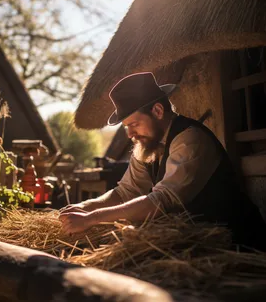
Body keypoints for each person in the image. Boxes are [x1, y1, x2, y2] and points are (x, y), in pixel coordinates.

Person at [59, 72, 266, 250]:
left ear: (157, 111)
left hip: (237, 246)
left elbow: (162, 200)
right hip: (195, 248)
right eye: (126, 127)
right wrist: (84, 207)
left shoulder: (190, 140)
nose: (130, 134)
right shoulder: (146, 145)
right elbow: (125, 192)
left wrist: (92, 218)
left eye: (135, 124)